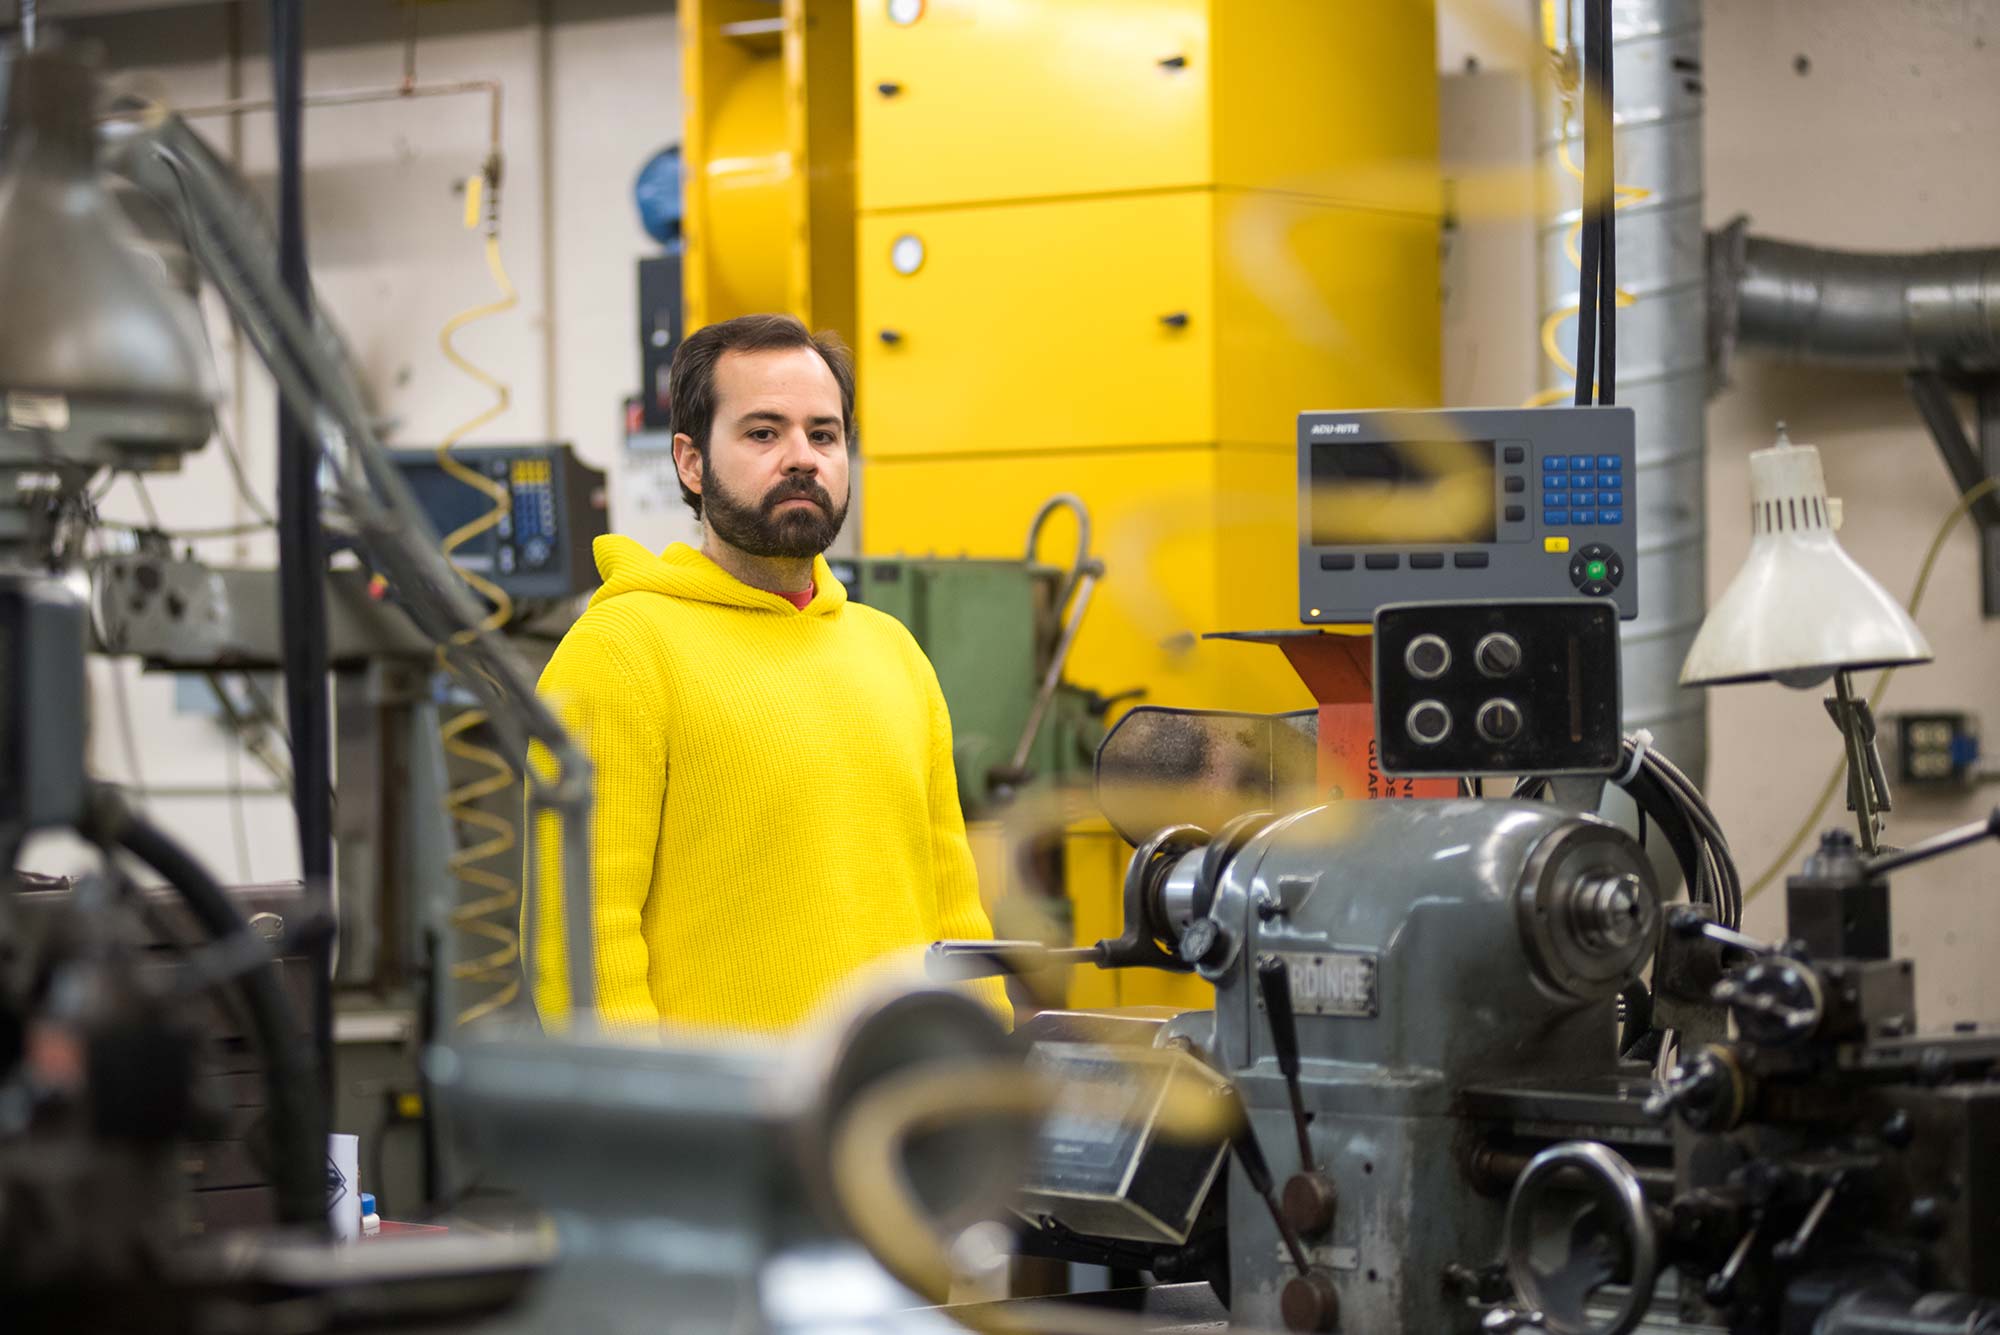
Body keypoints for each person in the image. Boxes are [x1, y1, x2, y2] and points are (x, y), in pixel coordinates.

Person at [524, 313, 1004, 1031]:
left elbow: (953, 910)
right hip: (723, 1130)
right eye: (762, 432)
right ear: (690, 461)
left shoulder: (894, 652)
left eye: (824, 433)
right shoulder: (620, 650)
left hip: (892, 1115)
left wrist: (993, 1072)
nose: (802, 457)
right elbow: (581, 946)